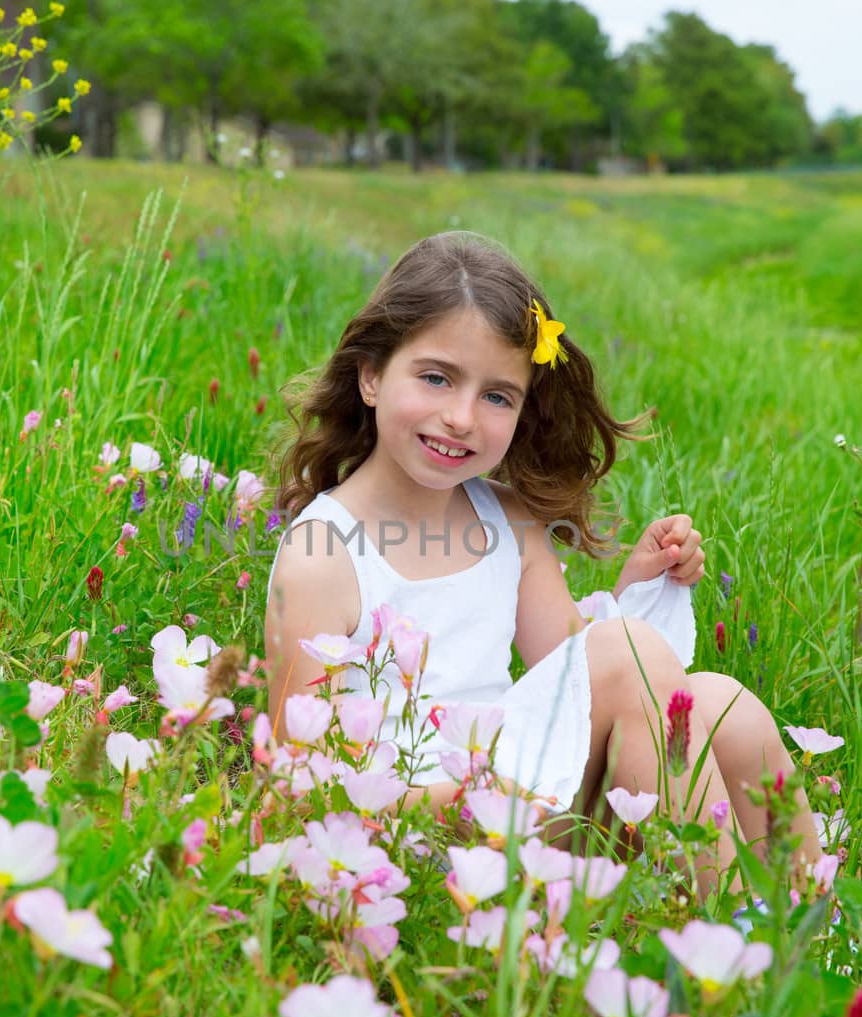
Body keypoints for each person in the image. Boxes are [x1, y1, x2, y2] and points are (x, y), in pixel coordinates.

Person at [263, 231, 820, 895]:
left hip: (524, 804)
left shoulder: (508, 522)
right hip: (419, 839)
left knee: (726, 705)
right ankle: (735, 943)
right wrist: (481, 787)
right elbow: (301, 788)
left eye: (497, 395)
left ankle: (816, 931)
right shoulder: (323, 555)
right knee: (630, 658)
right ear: (372, 374)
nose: (462, 417)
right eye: (436, 377)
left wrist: (635, 589)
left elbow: (577, 677)